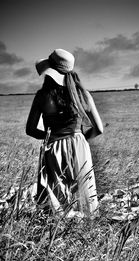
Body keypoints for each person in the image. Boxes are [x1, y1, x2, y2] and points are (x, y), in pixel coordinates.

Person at [26, 49, 103, 218]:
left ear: (49, 72)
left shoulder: (42, 96)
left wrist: (49, 137)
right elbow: (99, 128)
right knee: (82, 189)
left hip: (53, 145)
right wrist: (81, 138)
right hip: (79, 144)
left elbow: (30, 129)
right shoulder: (83, 95)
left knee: (55, 191)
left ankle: (58, 225)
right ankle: (85, 222)